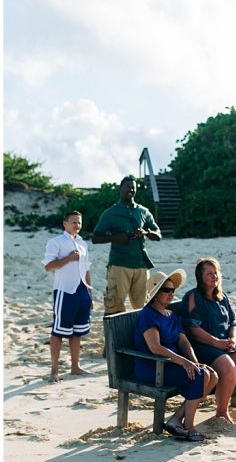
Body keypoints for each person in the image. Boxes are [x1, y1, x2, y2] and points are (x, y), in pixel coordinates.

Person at [134, 268, 218, 442]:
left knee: (212, 375)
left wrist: (193, 361)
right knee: (199, 376)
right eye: (166, 290)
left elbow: (183, 341)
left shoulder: (170, 315)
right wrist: (184, 363)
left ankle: (175, 420)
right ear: (156, 294)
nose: (171, 294)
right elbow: (155, 347)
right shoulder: (148, 315)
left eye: (172, 290)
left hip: (171, 363)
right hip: (153, 367)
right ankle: (189, 426)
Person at [180, 257, 236, 423]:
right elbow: (193, 329)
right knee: (228, 367)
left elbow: (233, 322)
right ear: (200, 277)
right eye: (209, 273)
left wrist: (233, 338)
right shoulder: (193, 297)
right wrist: (216, 342)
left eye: (216, 273)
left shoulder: (222, 297)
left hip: (226, 343)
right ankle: (222, 413)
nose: (214, 276)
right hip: (203, 346)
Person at [92, 176, 161, 316]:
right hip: (119, 265)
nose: (131, 190)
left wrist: (146, 232)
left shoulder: (143, 211)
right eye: (127, 187)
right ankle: (114, 337)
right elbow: (95, 237)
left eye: (133, 187)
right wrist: (116, 238)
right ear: (120, 188)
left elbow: (158, 234)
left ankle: (141, 336)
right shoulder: (111, 213)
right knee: (114, 306)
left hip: (141, 266)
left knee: (143, 308)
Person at [42, 210, 93, 382]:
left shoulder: (83, 243)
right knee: (58, 331)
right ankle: (54, 370)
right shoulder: (56, 242)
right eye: (73, 222)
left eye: (79, 222)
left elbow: (86, 269)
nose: (77, 225)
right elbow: (48, 266)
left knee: (77, 331)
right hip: (65, 291)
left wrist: (89, 291)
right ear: (65, 224)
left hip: (82, 291)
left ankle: (75, 367)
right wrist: (69, 258)